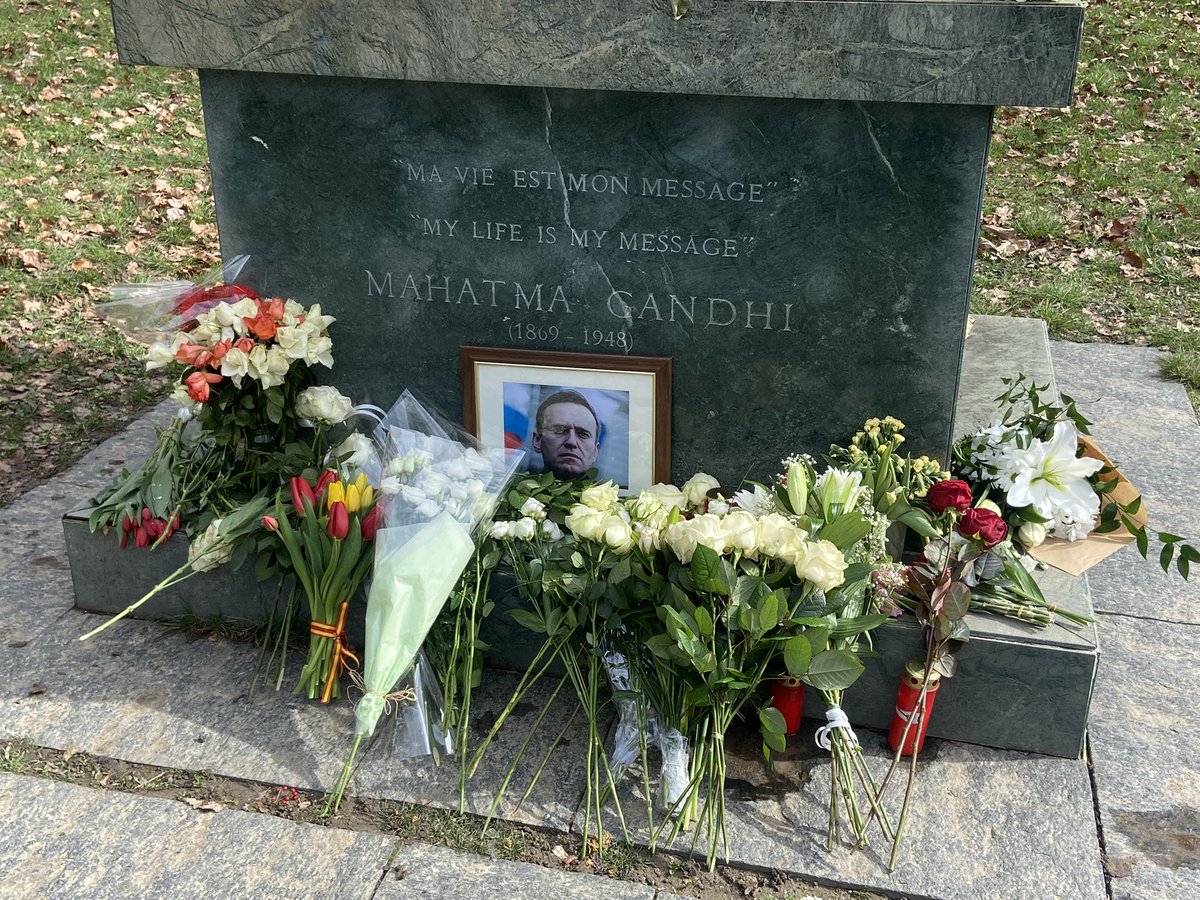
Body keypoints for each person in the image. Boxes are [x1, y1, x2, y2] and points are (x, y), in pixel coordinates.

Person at [532, 390, 601, 480]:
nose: (571, 442)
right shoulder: (510, 487)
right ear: (537, 441)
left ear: (595, 451)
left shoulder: (614, 494)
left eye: (583, 434)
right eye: (559, 430)